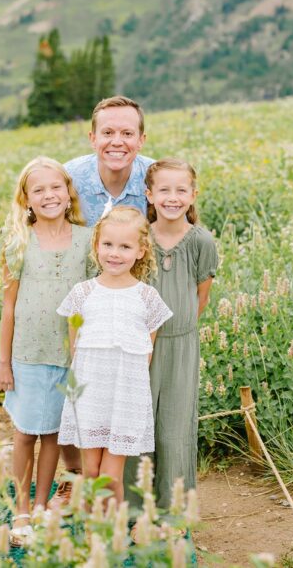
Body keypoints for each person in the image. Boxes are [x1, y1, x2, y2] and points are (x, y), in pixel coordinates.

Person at [0, 157, 94, 546]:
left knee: (52, 433)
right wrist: (4, 360)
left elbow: (90, 299)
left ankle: (41, 504)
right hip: (27, 354)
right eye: (39, 190)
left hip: (69, 355)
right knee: (24, 433)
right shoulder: (19, 241)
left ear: (68, 192)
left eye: (56, 187)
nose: (49, 195)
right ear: (26, 199)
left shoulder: (87, 240)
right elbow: (8, 306)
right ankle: (21, 509)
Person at [56, 205, 173, 506]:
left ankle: (112, 535)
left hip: (124, 396)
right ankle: (94, 532)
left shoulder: (147, 297)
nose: (114, 253)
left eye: (125, 246)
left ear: (141, 251)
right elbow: (75, 345)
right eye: (107, 244)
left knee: (110, 475)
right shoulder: (83, 292)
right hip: (91, 394)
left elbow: (147, 350)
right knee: (91, 471)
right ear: (96, 246)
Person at [122, 159, 218, 509]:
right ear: (149, 194)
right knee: (136, 425)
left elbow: (200, 296)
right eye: (164, 190)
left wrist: (178, 328)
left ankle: (172, 510)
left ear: (193, 196)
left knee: (174, 430)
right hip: (137, 345)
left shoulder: (201, 241)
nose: (172, 198)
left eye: (181, 190)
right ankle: (132, 508)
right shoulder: (139, 237)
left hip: (180, 345)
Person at [66, 96, 155, 226]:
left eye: (127, 133)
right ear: (93, 139)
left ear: (141, 140)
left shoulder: (158, 179)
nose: (117, 142)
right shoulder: (67, 178)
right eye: (108, 133)